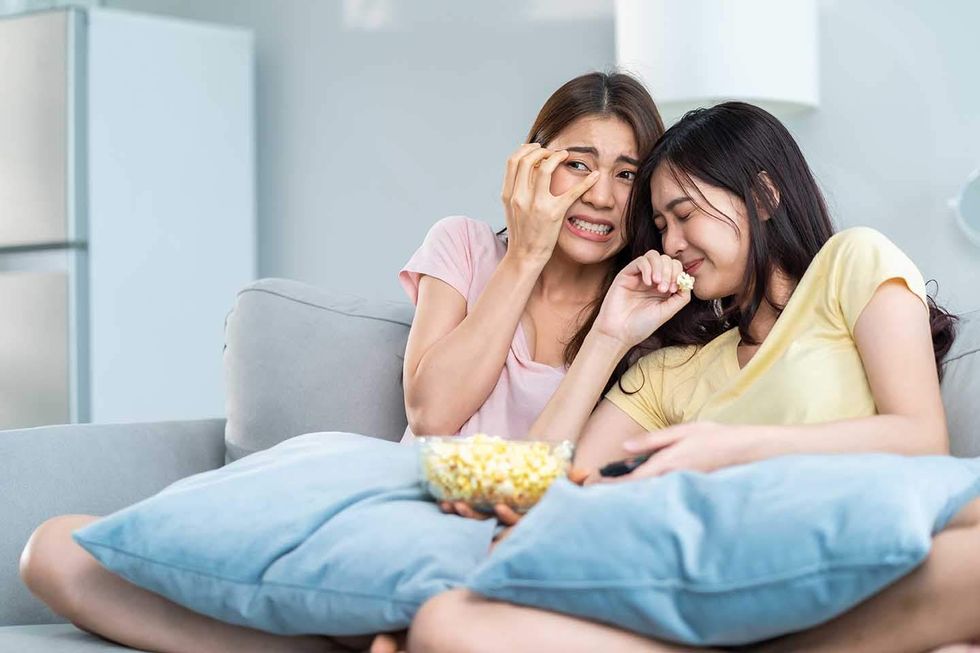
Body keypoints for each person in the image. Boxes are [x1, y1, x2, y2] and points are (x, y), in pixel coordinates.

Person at [18, 71, 666, 653]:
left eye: (627, 174)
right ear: (529, 167)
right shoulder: (465, 247)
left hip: (482, 556)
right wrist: (525, 255)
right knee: (51, 552)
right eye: (578, 164)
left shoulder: (641, 315)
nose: (602, 195)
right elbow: (435, 412)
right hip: (386, 524)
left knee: (444, 620)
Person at [406, 102, 980, 653]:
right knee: (445, 626)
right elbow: (535, 488)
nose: (673, 244)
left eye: (684, 215)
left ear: (762, 195)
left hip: (835, 560)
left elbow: (922, 439)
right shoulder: (667, 372)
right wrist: (610, 335)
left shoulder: (851, 265)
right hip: (715, 587)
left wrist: (729, 450)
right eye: (659, 225)